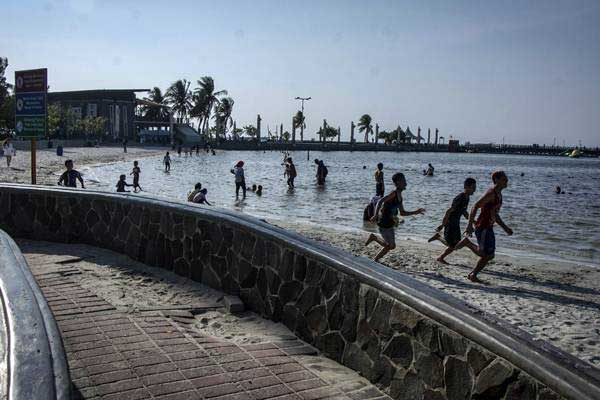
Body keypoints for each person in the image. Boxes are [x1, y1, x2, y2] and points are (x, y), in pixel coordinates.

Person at [455, 171, 513, 283]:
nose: (507, 181)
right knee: (487, 254)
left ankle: (473, 273)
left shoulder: (499, 195)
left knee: (490, 255)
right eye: (504, 179)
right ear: (496, 180)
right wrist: (469, 226)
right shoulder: (491, 193)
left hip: (489, 227)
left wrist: (505, 228)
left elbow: (495, 214)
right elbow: (475, 206)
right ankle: (472, 272)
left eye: (507, 179)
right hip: (483, 227)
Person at [365, 173, 425, 261]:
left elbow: (403, 213)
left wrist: (416, 212)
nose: (406, 183)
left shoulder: (400, 197)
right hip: (383, 222)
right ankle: (375, 254)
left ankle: (375, 251)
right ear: (398, 182)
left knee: (391, 246)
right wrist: (375, 214)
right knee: (390, 245)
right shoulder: (394, 193)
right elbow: (380, 201)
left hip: (390, 223)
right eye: (404, 181)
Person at [428, 178, 477, 263]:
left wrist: (473, 221)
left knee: (456, 244)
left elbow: (464, 212)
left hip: (456, 222)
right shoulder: (460, 198)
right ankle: (438, 237)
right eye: (473, 187)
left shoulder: (467, 198)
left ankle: (441, 257)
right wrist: (442, 225)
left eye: (475, 188)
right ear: (466, 186)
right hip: (450, 222)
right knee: (453, 245)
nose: (474, 190)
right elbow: (449, 211)